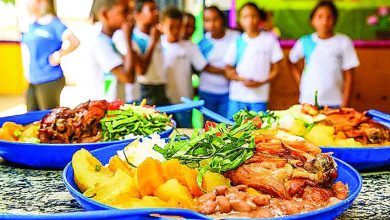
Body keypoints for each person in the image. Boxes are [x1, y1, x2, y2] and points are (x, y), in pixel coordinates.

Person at [289, 1, 359, 108]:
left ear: (335, 20)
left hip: (335, 102)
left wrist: (345, 104)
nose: (325, 21)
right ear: (312, 20)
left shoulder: (343, 41)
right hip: (308, 101)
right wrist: (300, 82)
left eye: (329, 17)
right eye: (320, 16)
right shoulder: (304, 41)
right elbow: (291, 61)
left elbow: (350, 75)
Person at [224, 3, 283, 119]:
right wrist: (241, 79)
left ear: (259, 18)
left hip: (259, 98)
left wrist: (262, 81)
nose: (250, 20)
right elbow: (228, 69)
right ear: (239, 20)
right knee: (232, 130)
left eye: (253, 16)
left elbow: (277, 69)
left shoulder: (270, 40)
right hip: (237, 97)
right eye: (245, 17)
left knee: (258, 132)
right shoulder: (237, 42)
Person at [22, 0, 79, 111]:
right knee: (31, 118)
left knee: (48, 118)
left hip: (50, 78)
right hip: (33, 79)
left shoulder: (54, 24)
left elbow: (75, 41)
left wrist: (58, 54)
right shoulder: (32, 25)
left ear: (43, 2)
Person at [161, 6, 208, 127]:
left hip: (184, 101)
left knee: (186, 132)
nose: (175, 31)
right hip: (163, 101)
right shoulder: (158, 45)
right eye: (171, 27)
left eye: (178, 27)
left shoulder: (189, 46)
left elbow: (202, 66)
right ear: (162, 25)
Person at [198, 6, 240, 119]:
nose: (211, 24)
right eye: (207, 20)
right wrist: (225, 70)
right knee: (208, 127)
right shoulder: (203, 42)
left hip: (228, 92)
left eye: (215, 19)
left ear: (222, 19)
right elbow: (202, 66)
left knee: (226, 126)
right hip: (207, 91)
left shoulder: (235, 37)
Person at [133, 0, 170, 106]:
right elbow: (141, 70)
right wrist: (153, 42)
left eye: (156, 9)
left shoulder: (157, 34)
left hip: (161, 86)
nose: (157, 12)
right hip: (147, 88)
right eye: (151, 10)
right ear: (138, 14)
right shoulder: (135, 38)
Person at [112, 0, 140, 103]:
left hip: (134, 93)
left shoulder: (131, 37)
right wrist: (127, 37)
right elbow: (131, 74)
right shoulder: (120, 35)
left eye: (132, 11)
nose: (131, 17)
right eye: (126, 12)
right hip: (128, 96)